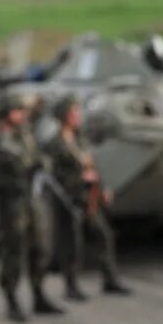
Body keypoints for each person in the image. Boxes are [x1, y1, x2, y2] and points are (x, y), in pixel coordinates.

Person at [0, 91, 65, 322]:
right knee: (13, 250)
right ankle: (12, 299)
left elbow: (37, 155)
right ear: (7, 113)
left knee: (40, 247)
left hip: (30, 196)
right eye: (17, 111)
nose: (21, 115)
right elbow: (13, 161)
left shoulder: (23, 132)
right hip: (11, 200)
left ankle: (38, 293)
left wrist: (42, 162)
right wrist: (31, 162)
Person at [45, 95, 132, 300]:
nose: (77, 115)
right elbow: (52, 175)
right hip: (68, 199)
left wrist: (102, 189)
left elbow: (92, 166)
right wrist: (78, 178)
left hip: (89, 198)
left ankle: (110, 279)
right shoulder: (55, 144)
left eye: (77, 111)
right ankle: (71, 285)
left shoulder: (80, 139)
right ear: (63, 116)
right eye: (73, 112)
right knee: (71, 243)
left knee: (103, 235)